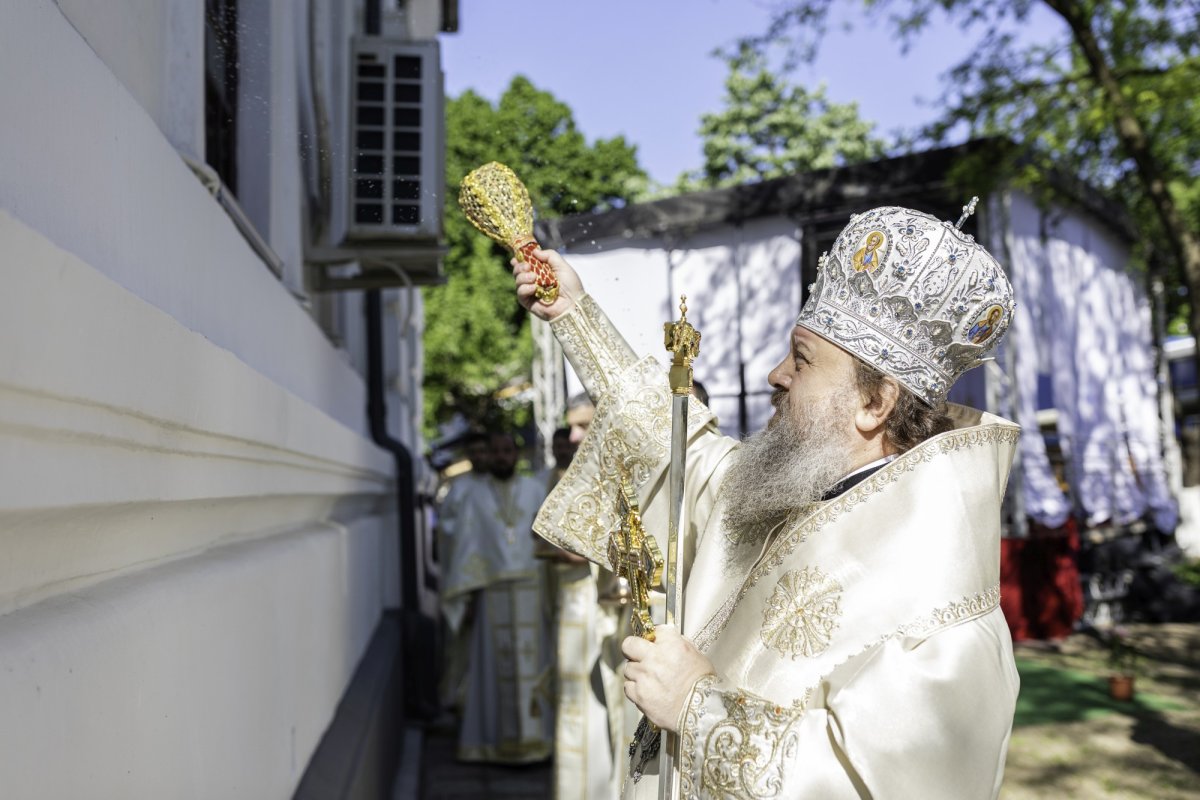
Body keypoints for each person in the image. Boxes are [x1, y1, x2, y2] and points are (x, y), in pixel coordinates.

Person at [513, 205, 1021, 798]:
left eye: (801, 359)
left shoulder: (944, 612)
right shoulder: (790, 494)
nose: (776, 374)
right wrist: (574, 314)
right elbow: (681, 452)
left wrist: (697, 706)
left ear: (875, 403)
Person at [439, 431, 554, 763]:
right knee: (493, 667)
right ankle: (491, 744)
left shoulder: (534, 489)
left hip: (532, 590)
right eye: (497, 451)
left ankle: (538, 742)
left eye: (507, 451)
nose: (502, 456)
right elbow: (464, 546)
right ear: (489, 454)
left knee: (534, 662)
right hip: (491, 592)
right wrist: (469, 594)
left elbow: (548, 539)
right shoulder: (471, 493)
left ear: (516, 454)